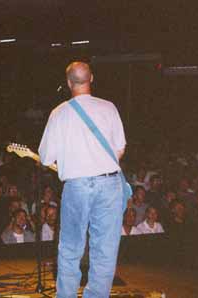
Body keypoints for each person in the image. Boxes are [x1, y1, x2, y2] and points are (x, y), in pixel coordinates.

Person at [38, 62, 127, 297]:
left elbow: (46, 157)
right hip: (109, 184)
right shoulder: (109, 108)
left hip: (76, 186)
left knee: (70, 249)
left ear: (68, 83)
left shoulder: (59, 113)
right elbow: (119, 149)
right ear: (92, 78)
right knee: (105, 251)